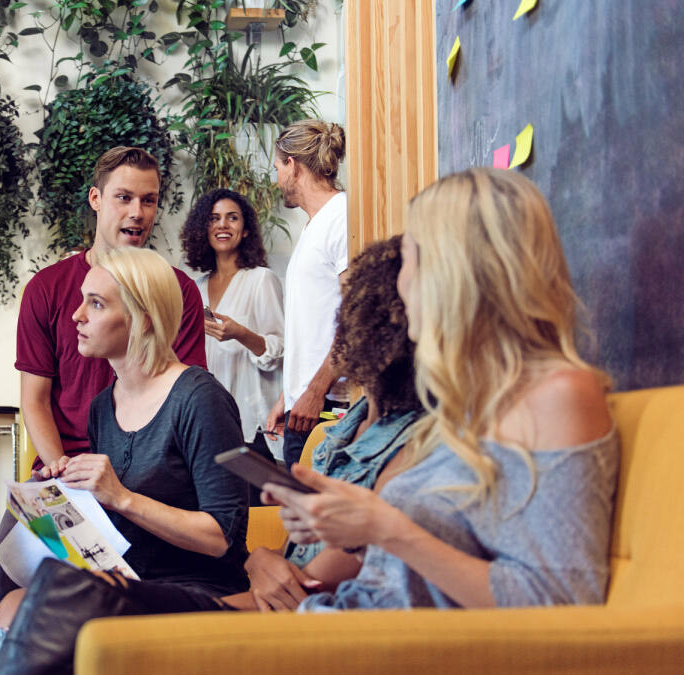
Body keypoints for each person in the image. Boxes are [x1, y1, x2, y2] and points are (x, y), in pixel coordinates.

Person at [270, 168, 618, 612]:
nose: (400, 282)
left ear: (454, 271)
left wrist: (386, 527)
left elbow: (559, 602)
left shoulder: (560, 394)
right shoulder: (465, 402)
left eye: (411, 256)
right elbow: (435, 561)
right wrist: (352, 531)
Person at [0, 247, 247, 674]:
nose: (76, 316)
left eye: (96, 304)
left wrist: (119, 497)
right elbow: (110, 531)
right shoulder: (105, 406)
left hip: (195, 590)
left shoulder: (200, 398)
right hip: (124, 582)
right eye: (83, 299)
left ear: (142, 318)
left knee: (18, 614)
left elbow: (221, 537)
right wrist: (63, 499)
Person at [0, 147, 206, 604]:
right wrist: (60, 475)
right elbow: (34, 399)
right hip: (63, 473)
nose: (137, 212)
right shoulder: (46, 290)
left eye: (148, 200)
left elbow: (183, 394)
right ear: (95, 198)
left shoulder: (178, 291)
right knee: (7, 585)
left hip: (143, 479)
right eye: (124, 197)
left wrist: (126, 486)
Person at [230, 235, 423, 611]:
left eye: (352, 308)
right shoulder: (344, 427)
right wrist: (259, 560)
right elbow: (292, 556)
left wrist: (263, 565)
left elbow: (308, 586)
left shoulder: (415, 444)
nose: (341, 324)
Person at [264, 119, 349, 468]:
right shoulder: (315, 224)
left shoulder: (341, 216)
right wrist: (291, 394)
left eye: (277, 168)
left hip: (329, 407)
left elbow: (358, 317)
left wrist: (315, 392)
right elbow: (315, 322)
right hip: (307, 406)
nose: (276, 180)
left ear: (293, 166)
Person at [181, 188, 287, 463]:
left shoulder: (261, 280)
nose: (223, 225)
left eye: (232, 218)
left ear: (246, 229)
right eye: (214, 218)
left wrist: (240, 333)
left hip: (252, 425)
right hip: (206, 422)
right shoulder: (196, 288)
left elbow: (280, 349)